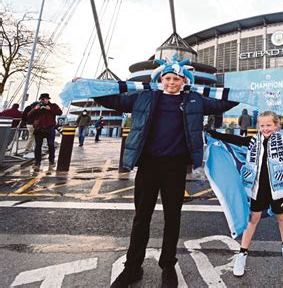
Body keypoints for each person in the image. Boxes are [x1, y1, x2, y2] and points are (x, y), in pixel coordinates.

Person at [85, 59, 238, 288]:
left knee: (172, 218)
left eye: (176, 79)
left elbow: (222, 104)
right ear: (160, 80)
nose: (171, 83)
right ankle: (132, 268)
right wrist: (87, 87)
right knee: (141, 218)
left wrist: (246, 93)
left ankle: (168, 266)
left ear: (184, 81)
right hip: (148, 165)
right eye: (167, 78)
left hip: (175, 167)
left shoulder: (193, 100)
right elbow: (115, 100)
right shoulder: (145, 97)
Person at [207, 111, 283, 277]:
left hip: (278, 187)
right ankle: (242, 253)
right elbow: (235, 140)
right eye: (262, 125)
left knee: (281, 216)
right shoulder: (253, 141)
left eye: (269, 125)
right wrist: (213, 133)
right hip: (258, 188)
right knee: (253, 220)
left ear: (276, 126)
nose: (265, 128)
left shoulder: (282, 141)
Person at [27, 93, 62, 171]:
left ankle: (51, 161)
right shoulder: (37, 106)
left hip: (50, 128)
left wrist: (50, 109)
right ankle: (37, 162)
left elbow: (60, 112)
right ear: (40, 99)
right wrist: (35, 109)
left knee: (51, 145)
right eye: (42, 99)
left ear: (48, 99)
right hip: (39, 129)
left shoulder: (53, 105)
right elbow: (29, 115)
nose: (44, 100)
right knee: (38, 146)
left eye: (46, 99)